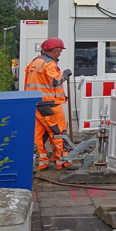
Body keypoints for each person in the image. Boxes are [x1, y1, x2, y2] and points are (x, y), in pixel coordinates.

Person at [24, 37, 72, 171]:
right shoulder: (48, 64)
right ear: (55, 51)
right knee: (58, 133)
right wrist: (65, 74)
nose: (60, 54)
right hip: (50, 105)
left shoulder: (34, 63)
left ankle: (42, 162)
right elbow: (55, 81)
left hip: (35, 104)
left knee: (38, 136)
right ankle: (63, 161)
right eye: (60, 51)